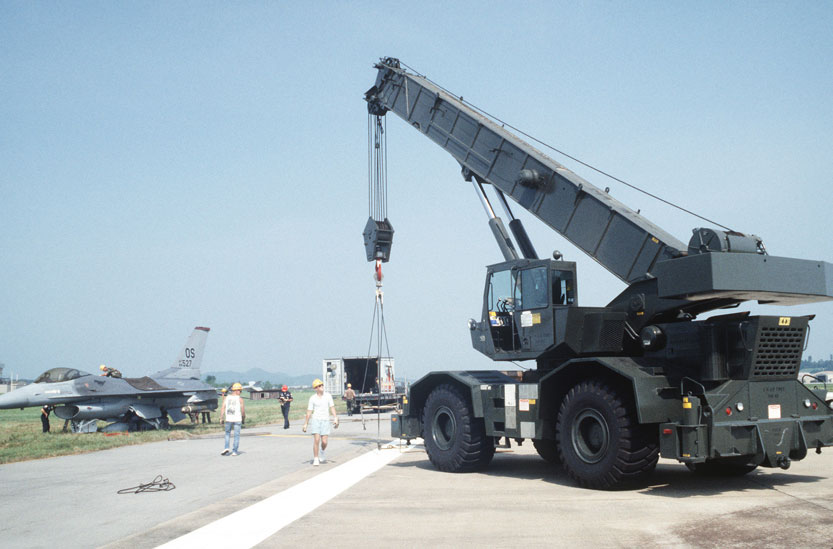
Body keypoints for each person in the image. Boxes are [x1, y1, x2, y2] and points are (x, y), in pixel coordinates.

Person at [302, 378, 338, 466]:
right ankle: (316, 458)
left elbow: (332, 407)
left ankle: (322, 451)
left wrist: (335, 417)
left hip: (325, 420)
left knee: (324, 442)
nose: (321, 387)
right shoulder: (312, 398)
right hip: (316, 420)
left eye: (322, 385)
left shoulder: (328, 396)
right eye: (319, 386)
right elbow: (309, 411)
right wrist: (306, 424)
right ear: (316, 388)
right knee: (317, 440)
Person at [220, 382, 246, 456]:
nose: (240, 392)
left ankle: (226, 447)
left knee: (227, 434)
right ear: (237, 390)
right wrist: (243, 419)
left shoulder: (226, 398)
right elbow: (243, 411)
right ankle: (234, 451)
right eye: (240, 391)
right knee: (236, 435)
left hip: (228, 419)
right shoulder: (240, 399)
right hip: (237, 419)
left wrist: (221, 418)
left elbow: (223, 408)